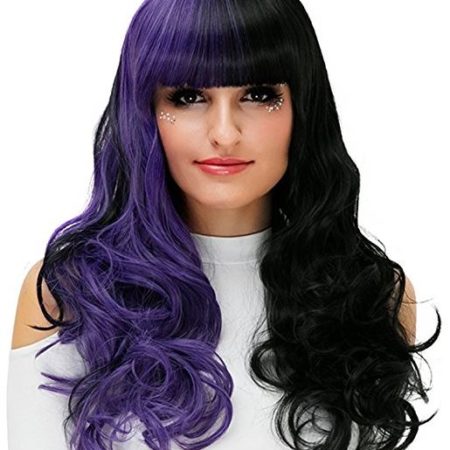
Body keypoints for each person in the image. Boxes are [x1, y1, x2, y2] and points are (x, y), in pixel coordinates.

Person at [7, 1, 440, 449]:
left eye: (259, 94)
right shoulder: (72, 295)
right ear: (144, 112)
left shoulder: (373, 299)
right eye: (188, 97)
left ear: (303, 108)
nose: (225, 133)